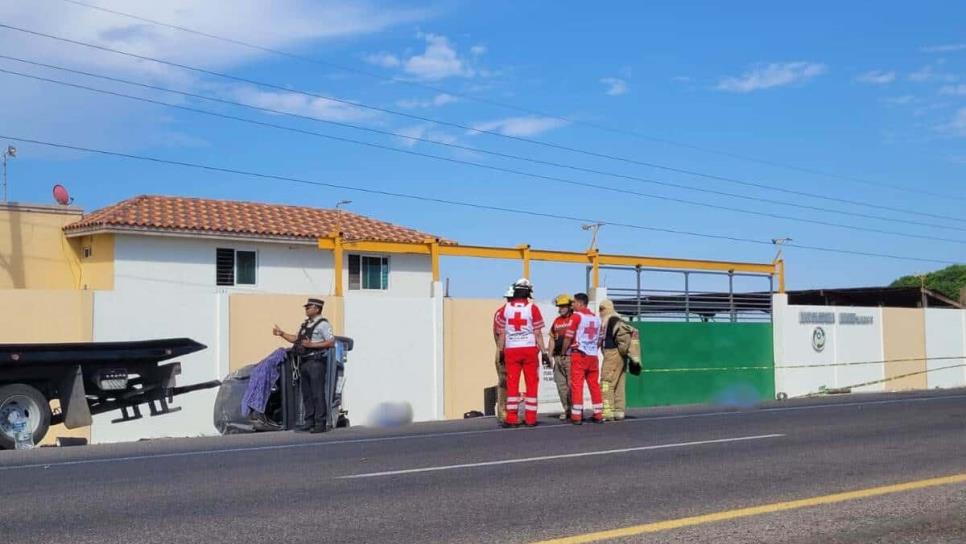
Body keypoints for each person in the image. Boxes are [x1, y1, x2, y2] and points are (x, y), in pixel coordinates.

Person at [273, 298, 336, 433]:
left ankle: (320, 423)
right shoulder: (305, 324)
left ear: (317, 309)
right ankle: (309, 421)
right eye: (306, 307)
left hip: (316, 361)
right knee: (306, 394)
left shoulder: (323, 324)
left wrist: (312, 345)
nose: (306, 309)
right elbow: (296, 339)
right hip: (304, 361)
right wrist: (282, 334)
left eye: (309, 307)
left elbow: (331, 342)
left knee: (317, 393)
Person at [493, 278, 551, 427]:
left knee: (512, 383)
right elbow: (538, 333)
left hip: (511, 349)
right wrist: (544, 352)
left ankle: (511, 417)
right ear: (528, 293)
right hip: (529, 349)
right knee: (531, 383)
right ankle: (530, 418)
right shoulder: (532, 308)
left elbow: (501, 333)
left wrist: (500, 350)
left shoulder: (505, 309)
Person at [561, 292, 604, 424]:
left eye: (573, 302)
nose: (572, 304)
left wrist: (563, 351)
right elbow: (600, 339)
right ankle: (598, 414)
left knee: (577, 385)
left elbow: (568, 337)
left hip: (579, 354)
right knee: (594, 385)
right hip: (592, 356)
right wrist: (592, 350)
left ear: (580, 303)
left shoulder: (576, 316)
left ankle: (576, 416)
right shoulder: (597, 319)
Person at [599, 299, 631, 421]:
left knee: (606, 383)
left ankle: (608, 412)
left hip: (613, 353)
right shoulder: (614, 319)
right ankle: (619, 411)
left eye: (601, 309)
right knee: (618, 384)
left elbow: (623, 337)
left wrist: (620, 351)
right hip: (617, 355)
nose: (600, 313)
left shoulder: (612, 319)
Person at [548, 294, 578, 421]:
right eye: (559, 306)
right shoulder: (557, 321)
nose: (560, 308)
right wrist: (549, 355)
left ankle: (575, 409)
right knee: (561, 385)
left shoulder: (575, 319)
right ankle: (567, 409)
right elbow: (552, 338)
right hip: (558, 358)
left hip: (570, 357)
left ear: (570, 306)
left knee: (572, 385)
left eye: (563, 306)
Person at [492, 285, 514, 424]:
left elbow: (495, 333)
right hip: (507, 349)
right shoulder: (503, 313)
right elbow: (497, 333)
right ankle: (505, 412)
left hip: (505, 349)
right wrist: (501, 349)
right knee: (505, 381)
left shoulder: (500, 312)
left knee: (505, 382)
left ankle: (505, 411)